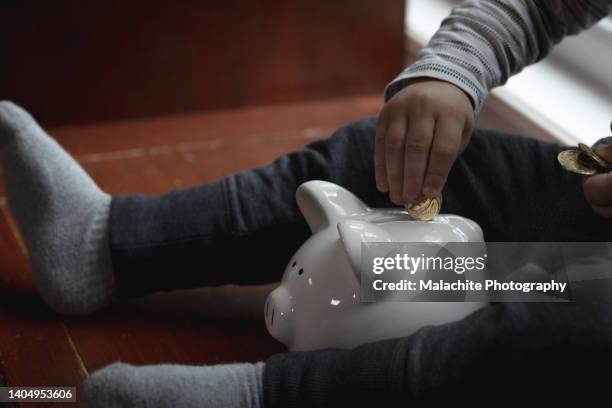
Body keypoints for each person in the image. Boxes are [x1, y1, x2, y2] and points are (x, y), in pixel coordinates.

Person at [2, 0, 612, 406]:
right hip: (590, 197)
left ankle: (270, 393)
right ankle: (113, 244)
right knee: (398, 160)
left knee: (558, 335)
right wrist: (452, 70)